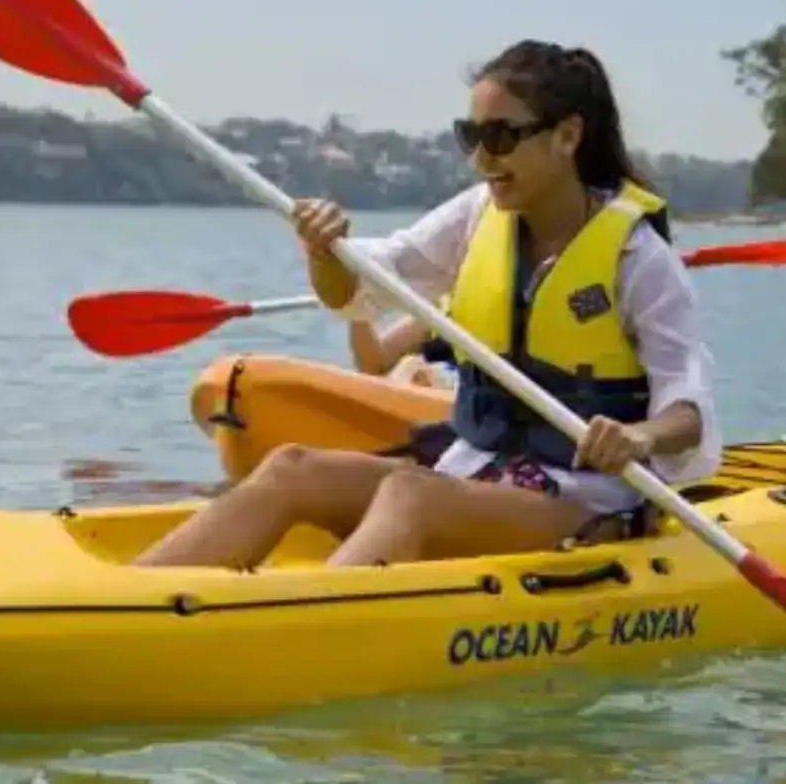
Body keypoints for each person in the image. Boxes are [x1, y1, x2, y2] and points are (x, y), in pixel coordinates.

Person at [134, 40, 722, 569]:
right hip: (478, 472)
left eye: (501, 137)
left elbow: (687, 410)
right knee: (294, 467)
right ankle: (140, 604)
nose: (482, 159)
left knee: (412, 494)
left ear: (567, 136)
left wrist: (639, 438)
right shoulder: (475, 217)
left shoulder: (638, 259)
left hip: (584, 498)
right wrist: (323, 250)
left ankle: (303, 631)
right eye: (472, 137)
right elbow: (357, 289)